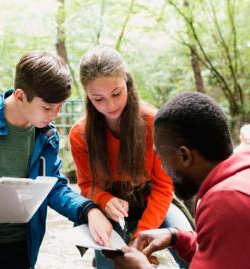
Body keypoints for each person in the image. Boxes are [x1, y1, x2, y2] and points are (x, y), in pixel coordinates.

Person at [106, 92, 250, 269]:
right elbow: (231, 250)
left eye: (162, 158)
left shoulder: (230, 200)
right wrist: (176, 237)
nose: (163, 170)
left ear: (185, 155)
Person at [0, 52, 112, 269]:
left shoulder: (47, 135)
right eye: (47, 107)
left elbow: (54, 187)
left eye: (60, 106)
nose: (56, 114)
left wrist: (89, 209)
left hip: (22, 249)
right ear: (20, 96)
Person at [69, 47, 193, 269]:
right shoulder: (80, 134)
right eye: (98, 99)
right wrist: (105, 200)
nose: (110, 105)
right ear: (87, 95)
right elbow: (87, 186)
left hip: (155, 203)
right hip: (109, 211)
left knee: (190, 245)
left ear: (127, 81)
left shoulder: (154, 122)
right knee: (108, 257)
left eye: (116, 93)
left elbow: (164, 187)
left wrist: (141, 237)